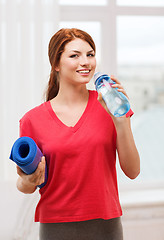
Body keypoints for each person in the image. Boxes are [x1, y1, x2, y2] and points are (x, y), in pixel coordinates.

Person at [16, 28, 140, 240]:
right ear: (56, 63)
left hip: (106, 226)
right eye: (75, 55)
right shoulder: (32, 120)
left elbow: (133, 171)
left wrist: (121, 121)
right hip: (56, 228)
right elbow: (24, 183)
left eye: (90, 54)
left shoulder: (110, 106)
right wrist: (30, 180)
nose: (86, 62)